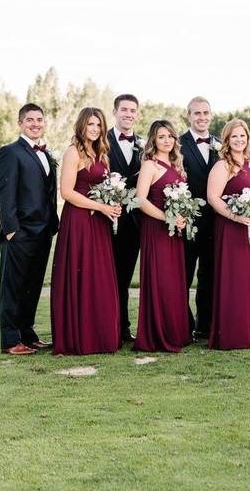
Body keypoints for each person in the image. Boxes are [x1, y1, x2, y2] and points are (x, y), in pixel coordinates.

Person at [49, 107, 122, 355]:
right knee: (82, 275)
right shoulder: (73, 152)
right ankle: (79, 337)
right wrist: (101, 206)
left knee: (98, 277)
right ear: (82, 125)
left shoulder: (101, 153)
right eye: (90, 124)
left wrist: (111, 204)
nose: (94, 128)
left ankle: (99, 336)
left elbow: (105, 186)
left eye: (99, 125)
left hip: (99, 222)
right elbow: (67, 193)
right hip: (79, 221)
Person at [0, 103, 59, 355]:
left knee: (32, 286)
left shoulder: (45, 153)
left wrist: (52, 225)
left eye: (39, 119)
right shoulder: (10, 152)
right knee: (13, 288)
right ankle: (10, 340)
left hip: (43, 232)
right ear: (20, 123)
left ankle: (27, 334)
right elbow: (5, 194)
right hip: (19, 234)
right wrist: (12, 231)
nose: (35, 124)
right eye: (30, 119)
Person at [206, 119, 250, 350]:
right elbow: (213, 198)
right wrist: (235, 217)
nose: (239, 140)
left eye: (242, 136)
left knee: (249, 280)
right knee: (234, 279)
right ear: (227, 140)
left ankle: (249, 330)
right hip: (231, 229)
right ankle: (232, 334)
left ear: (248, 138)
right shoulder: (222, 166)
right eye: (234, 137)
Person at [133, 120, 192, 353]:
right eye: (161, 137)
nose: (167, 140)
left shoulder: (177, 165)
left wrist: (182, 216)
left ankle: (175, 332)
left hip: (174, 232)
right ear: (153, 140)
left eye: (170, 136)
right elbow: (140, 199)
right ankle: (157, 335)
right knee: (161, 280)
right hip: (156, 230)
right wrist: (166, 218)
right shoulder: (150, 165)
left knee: (174, 281)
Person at [180, 96, 220, 338]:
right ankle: (184, 324)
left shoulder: (220, 144)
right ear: (189, 115)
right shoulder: (176, 144)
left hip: (216, 223)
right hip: (187, 223)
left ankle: (204, 326)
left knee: (209, 276)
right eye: (197, 113)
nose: (202, 117)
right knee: (182, 275)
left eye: (206, 113)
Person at [107, 93, 142, 343]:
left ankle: (123, 327)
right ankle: (109, 327)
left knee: (125, 278)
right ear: (115, 112)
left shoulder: (143, 144)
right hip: (105, 221)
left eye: (132, 110)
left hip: (135, 223)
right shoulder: (102, 141)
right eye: (124, 110)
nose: (128, 114)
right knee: (107, 276)